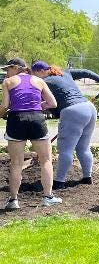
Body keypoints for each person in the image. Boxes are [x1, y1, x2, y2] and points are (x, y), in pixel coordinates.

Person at [30, 61, 99, 188]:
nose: (33, 78)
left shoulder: (44, 82)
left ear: (40, 71)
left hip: (72, 111)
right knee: (83, 147)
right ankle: (87, 177)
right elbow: (86, 72)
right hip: (89, 108)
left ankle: (59, 181)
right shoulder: (65, 73)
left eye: (33, 74)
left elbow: (45, 103)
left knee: (65, 149)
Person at [1, 57, 62, 209]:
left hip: (16, 120)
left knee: (16, 163)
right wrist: (38, 106)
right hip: (36, 119)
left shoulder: (8, 82)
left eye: (8, 69)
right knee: (46, 160)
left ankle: (13, 201)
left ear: (16, 68)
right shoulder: (38, 81)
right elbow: (53, 103)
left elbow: (5, 105)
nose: (6, 73)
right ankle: (48, 197)